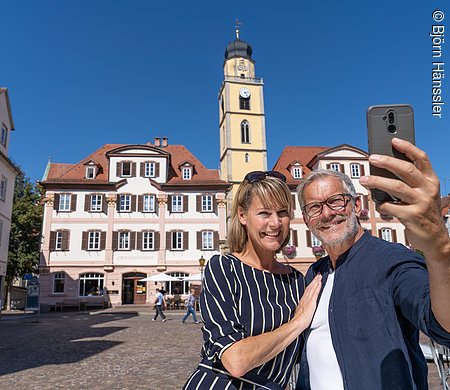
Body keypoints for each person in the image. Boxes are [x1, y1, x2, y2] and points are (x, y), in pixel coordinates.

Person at [295, 138, 450, 389]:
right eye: (314, 207)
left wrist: (440, 248)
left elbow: (442, 324)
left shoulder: (393, 260)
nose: (326, 213)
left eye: (336, 201)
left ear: (356, 205)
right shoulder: (315, 273)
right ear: (306, 219)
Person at [184, 171, 322, 389]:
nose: (275, 223)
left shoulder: (297, 280)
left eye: (282, 212)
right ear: (242, 215)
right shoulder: (223, 267)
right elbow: (235, 361)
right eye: (264, 213)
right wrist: (297, 323)